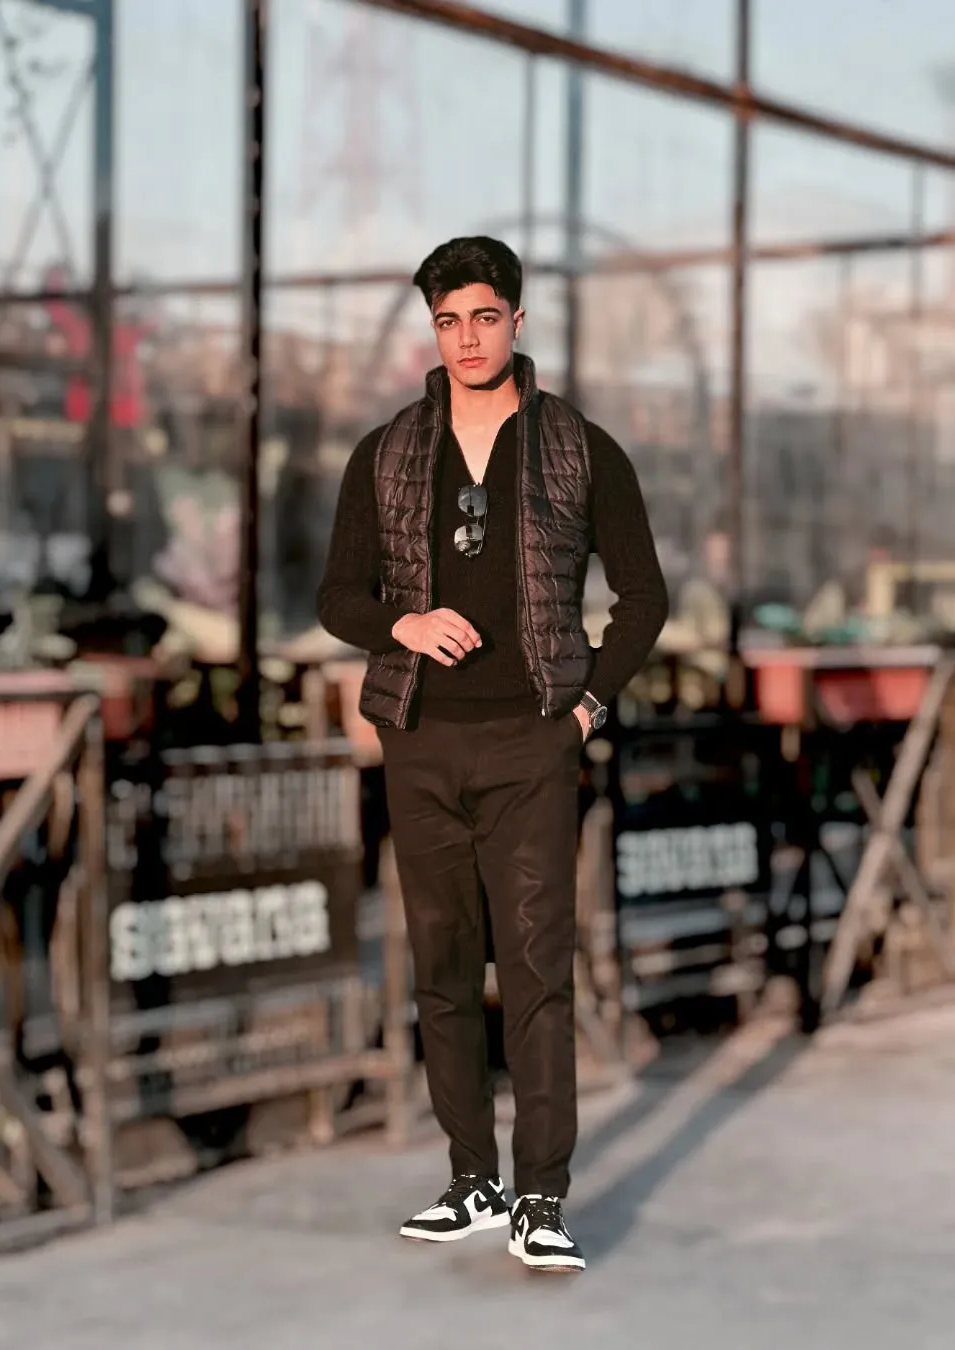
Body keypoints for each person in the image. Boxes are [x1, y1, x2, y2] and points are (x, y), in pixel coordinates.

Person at [318, 236, 667, 1273]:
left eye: (482, 317)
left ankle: (541, 1195)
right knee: (439, 969)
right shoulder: (386, 451)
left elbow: (643, 598)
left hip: (533, 741)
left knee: (536, 969)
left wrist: (587, 709)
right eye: (447, 321)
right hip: (420, 740)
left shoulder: (580, 448)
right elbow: (336, 596)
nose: (466, 339)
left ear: (517, 320)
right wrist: (403, 624)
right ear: (432, 330)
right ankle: (472, 1178)